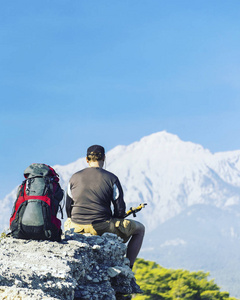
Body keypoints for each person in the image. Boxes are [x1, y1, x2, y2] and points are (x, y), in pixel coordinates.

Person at [64, 145, 145, 268]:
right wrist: (116, 218)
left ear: (86, 159)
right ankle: (128, 266)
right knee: (140, 229)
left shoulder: (74, 177)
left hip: (75, 226)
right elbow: (120, 210)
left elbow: (68, 207)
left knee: (69, 220)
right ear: (104, 158)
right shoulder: (111, 178)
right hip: (101, 226)